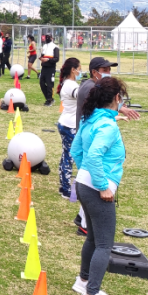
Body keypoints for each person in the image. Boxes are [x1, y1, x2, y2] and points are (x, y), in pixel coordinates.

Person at [70, 76, 129, 295]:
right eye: (122, 98)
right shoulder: (108, 125)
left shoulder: (90, 119)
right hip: (95, 187)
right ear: (116, 98)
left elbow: (77, 151)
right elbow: (92, 154)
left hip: (84, 183)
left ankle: (83, 282)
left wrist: (86, 172)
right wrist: (103, 186)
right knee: (104, 244)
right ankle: (91, 294)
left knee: (93, 239)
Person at [56, 57, 82, 199]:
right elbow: (83, 97)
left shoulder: (68, 83)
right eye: (79, 68)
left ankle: (63, 186)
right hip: (70, 125)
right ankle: (66, 189)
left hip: (67, 123)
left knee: (66, 156)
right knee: (69, 157)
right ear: (73, 70)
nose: (80, 71)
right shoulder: (71, 86)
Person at [39, 34, 60, 106]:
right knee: (41, 83)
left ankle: (49, 100)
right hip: (44, 67)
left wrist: (48, 59)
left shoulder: (55, 47)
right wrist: (41, 58)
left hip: (51, 68)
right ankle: (49, 98)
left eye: (48, 37)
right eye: (46, 37)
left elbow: (56, 59)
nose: (47, 38)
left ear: (52, 38)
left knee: (49, 84)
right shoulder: (44, 46)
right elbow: (42, 55)